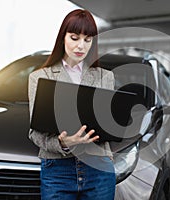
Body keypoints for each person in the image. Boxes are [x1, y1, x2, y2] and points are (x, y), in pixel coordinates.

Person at [28, 9, 116, 200]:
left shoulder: (106, 77)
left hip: (98, 167)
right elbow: (34, 133)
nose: (81, 46)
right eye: (75, 38)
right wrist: (62, 143)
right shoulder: (41, 77)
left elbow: (108, 127)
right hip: (58, 169)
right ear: (63, 38)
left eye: (87, 40)